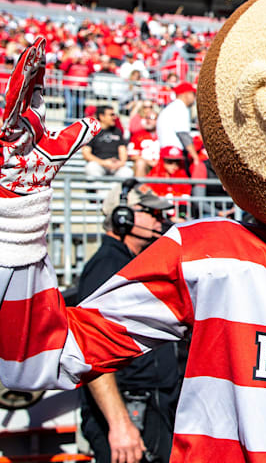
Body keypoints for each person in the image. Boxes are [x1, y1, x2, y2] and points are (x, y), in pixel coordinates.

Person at [77, 182, 180, 463]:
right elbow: (91, 353)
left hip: (149, 408)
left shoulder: (132, 263)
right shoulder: (107, 266)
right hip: (132, 413)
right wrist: (120, 423)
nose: (161, 220)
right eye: (152, 213)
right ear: (123, 217)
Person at [83, 106, 134, 179]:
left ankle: (115, 190)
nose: (114, 117)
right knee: (91, 167)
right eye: (111, 115)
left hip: (116, 166)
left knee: (128, 172)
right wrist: (103, 162)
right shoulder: (92, 132)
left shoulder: (117, 131)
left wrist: (120, 163)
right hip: (99, 164)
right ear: (102, 116)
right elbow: (86, 154)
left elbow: (123, 150)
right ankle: (101, 190)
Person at [155, 82, 198, 166]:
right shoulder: (180, 107)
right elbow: (183, 134)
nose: (194, 98)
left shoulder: (173, 106)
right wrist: (195, 157)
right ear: (186, 94)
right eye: (193, 94)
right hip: (174, 153)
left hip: (167, 151)